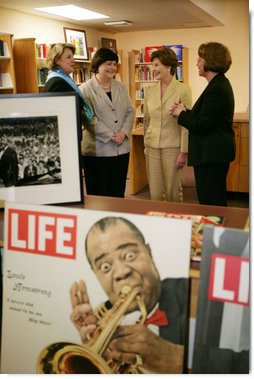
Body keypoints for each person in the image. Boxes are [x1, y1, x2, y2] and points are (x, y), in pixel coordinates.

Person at [70, 216, 188, 374]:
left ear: (149, 253)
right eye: (105, 266)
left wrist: (177, 360)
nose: (121, 272)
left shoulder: (190, 293)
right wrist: (95, 360)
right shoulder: (100, 319)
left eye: (129, 255)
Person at [170, 42, 235, 206]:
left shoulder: (217, 88)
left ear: (209, 61)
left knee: (211, 201)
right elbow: (206, 117)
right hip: (211, 154)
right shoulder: (217, 85)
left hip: (212, 155)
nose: (197, 63)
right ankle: (213, 230)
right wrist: (186, 111)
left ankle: (214, 231)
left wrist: (181, 114)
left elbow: (202, 125)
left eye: (199, 59)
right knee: (210, 199)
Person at [79, 48, 135, 198]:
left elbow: (130, 111)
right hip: (98, 151)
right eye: (108, 63)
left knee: (117, 191)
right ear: (98, 64)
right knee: (99, 194)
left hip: (121, 149)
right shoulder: (85, 89)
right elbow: (89, 119)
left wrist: (123, 132)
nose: (112, 68)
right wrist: (112, 135)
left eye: (115, 64)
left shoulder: (121, 87)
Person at [144, 47, 192, 202]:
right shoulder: (150, 91)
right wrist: (146, 144)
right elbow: (147, 120)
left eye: (157, 65)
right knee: (156, 193)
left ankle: (176, 224)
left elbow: (186, 123)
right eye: (153, 65)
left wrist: (184, 151)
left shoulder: (183, 90)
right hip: (152, 147)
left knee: (172, 192)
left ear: (169, 67)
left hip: (173, 147)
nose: (153, 69)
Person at [43, 43, 94, 140]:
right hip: (65, 140)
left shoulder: (63, 80)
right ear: (57, 60)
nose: (73, 60)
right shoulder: (57, 83)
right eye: (68, 57)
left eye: (73, 57)